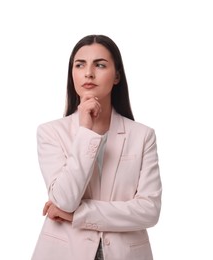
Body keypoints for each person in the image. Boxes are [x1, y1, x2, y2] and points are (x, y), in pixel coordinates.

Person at [31, 34, 162, 260]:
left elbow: (149, 211)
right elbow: (64, 200)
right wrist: (86, 132)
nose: (88, 73)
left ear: (117, 76)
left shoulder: (142, 135)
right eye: (80, 65)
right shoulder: (50, 132)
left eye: (100, 65)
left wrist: (78, 215)